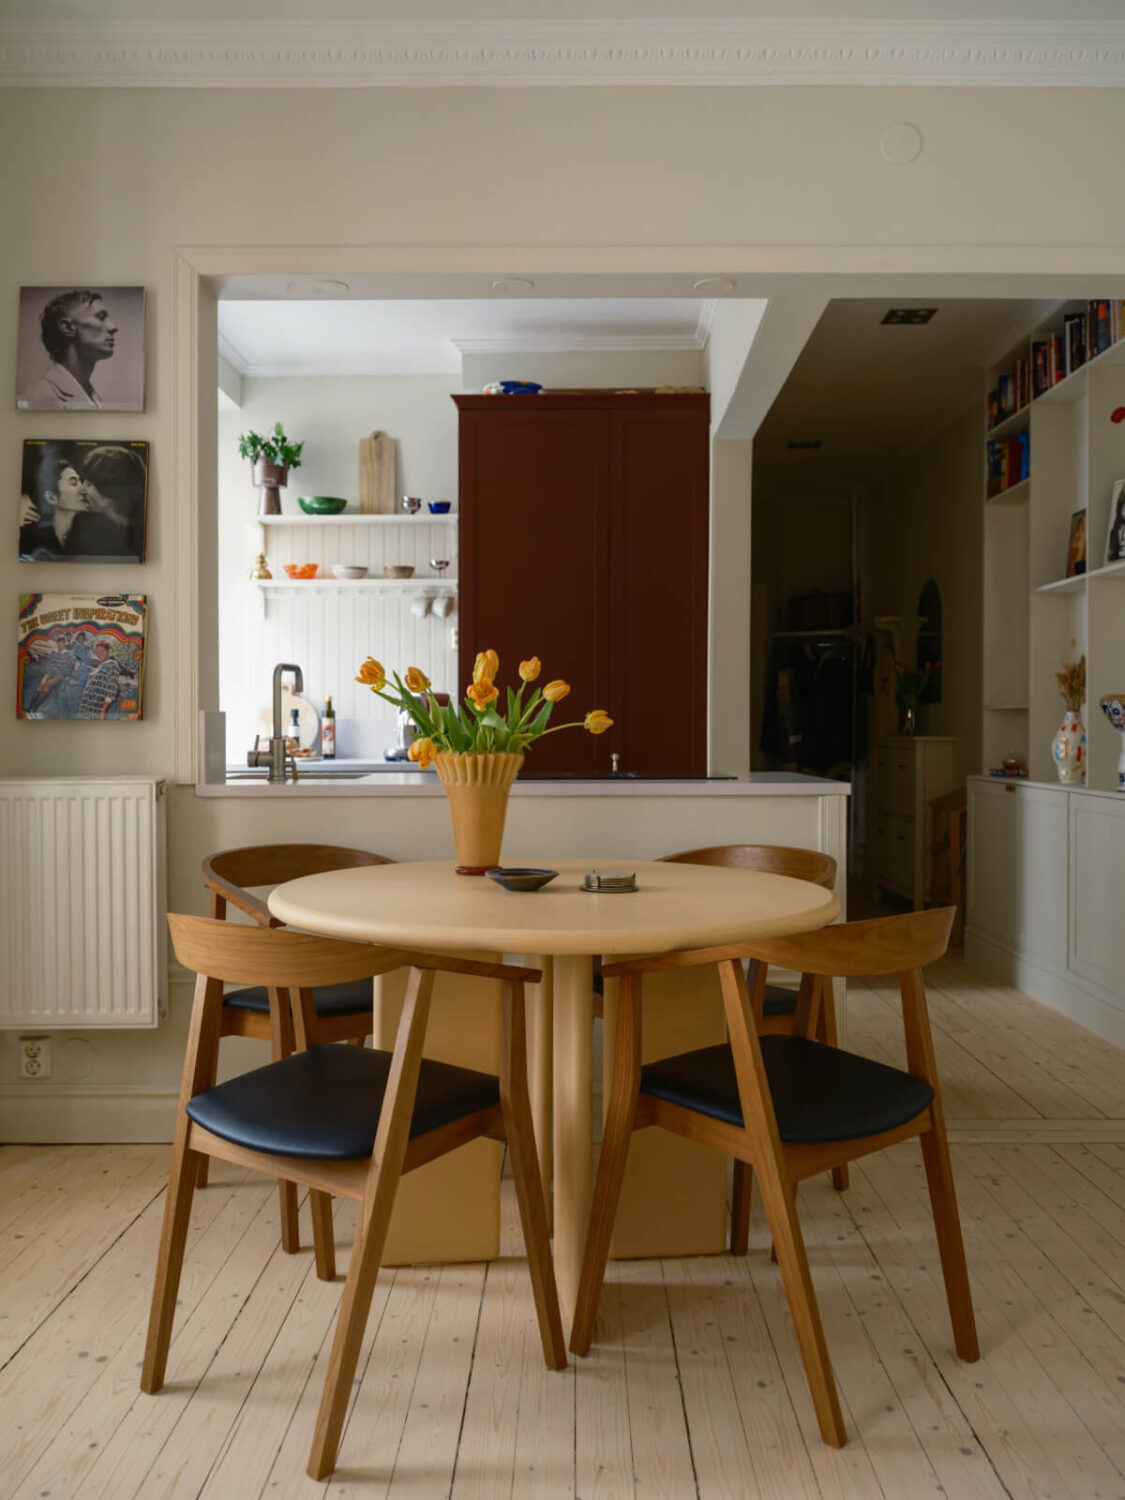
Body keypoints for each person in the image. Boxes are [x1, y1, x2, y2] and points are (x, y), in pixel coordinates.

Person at [21, 290, 119, 410]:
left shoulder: (95, 398)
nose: (113, 327)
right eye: (100, 317)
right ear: (67, 328)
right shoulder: (35, 400)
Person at [70, 445, 147, 560]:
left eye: (89, 484)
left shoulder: (143, 532)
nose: (82, 490)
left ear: (110, 491)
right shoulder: (81, 523)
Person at [18, 451, 89, 560]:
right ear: (51, 497)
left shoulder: (93, 533)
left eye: (80, 482)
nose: (84, 490)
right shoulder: (29, 540)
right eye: (74, 483)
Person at [78, 638, 133, 720]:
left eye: (102, 651)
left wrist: (103, 711)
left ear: (108, 651)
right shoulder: (101, 665)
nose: (99, 654)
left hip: (96, 707)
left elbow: (112, 689)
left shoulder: (112, 665)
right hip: (87, 705)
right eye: (97, 652)